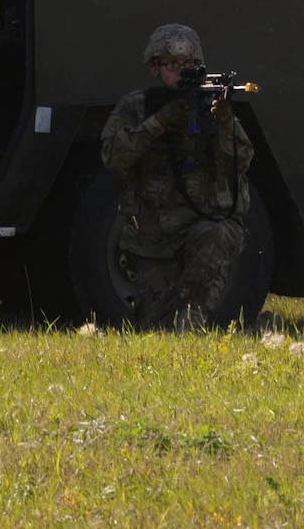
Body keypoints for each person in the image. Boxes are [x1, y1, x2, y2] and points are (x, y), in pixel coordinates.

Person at [100, 24, 255, 330]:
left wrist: (225, 123)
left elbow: (242, 159)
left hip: (203, 224)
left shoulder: (209, 104)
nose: (181, 73)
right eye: (173, 66)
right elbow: (114, 157)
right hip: (154, 236)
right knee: (155, 327)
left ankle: (192, 318)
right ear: (155, 69)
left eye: (189, 66)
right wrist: (160, 121)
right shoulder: (137, 106)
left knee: (217, 234)